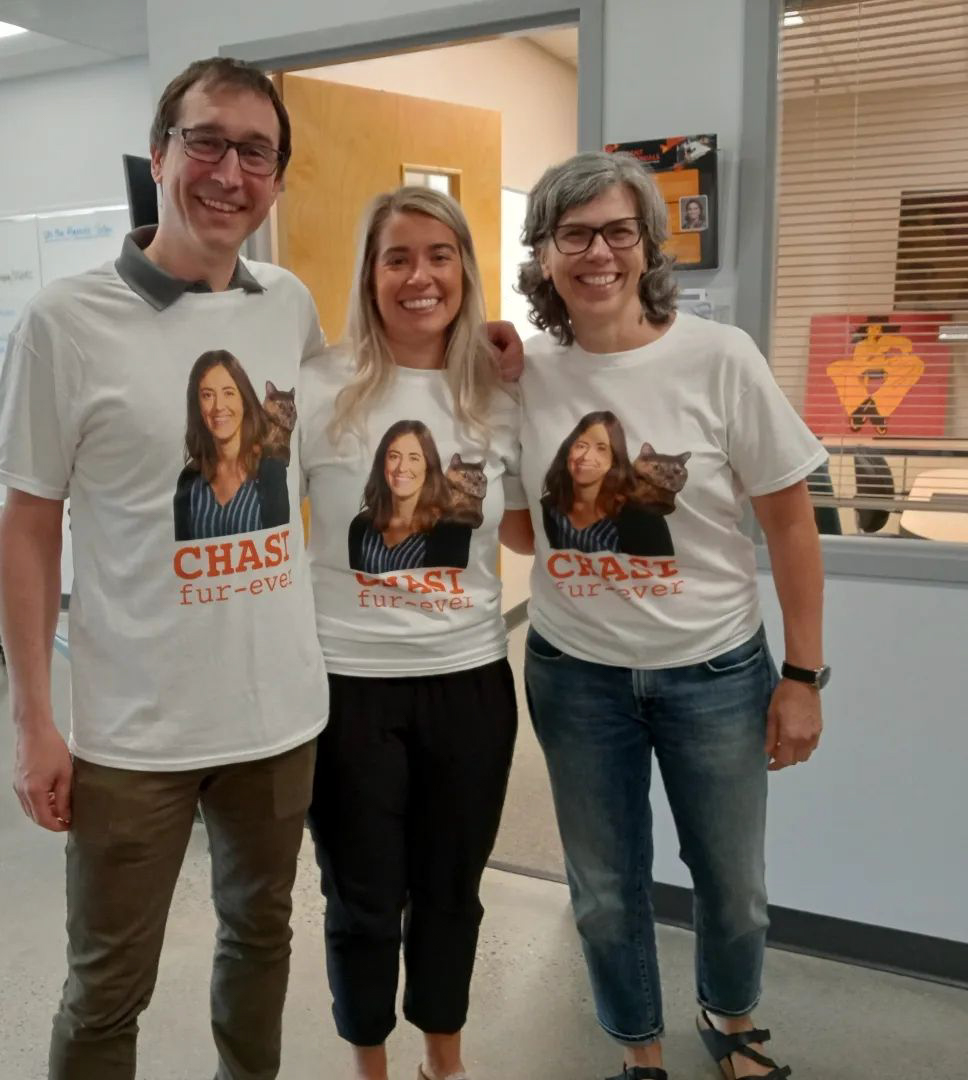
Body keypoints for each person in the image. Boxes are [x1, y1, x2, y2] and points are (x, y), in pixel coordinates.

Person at [0, 57, 332, 1080]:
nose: (229, 171)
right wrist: (35, 721)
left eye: (255, 152)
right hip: (132, 735)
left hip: (277, 720)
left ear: (276, 178)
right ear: (161, 155)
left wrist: (486, 357)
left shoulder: (289, 304)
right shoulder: (64, 324)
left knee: (262, 942)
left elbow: (360, 415)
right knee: (106, 985)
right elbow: (29, 525)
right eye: (206, 142)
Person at [508, 150, 829, 1080]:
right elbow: (527, 537)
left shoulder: (717, 357)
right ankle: (638, 1051)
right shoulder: (524, 374)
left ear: (649, 244)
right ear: (546, 253)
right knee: (605, 893)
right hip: (575, 677)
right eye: (574, 234)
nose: (597, 252)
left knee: (735, 891)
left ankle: (729, 1026)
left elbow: (793, 527)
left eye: (617, 230)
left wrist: (803, 679)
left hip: (717, 674)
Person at [299, 186, 528, 1080]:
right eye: (398, 257)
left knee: (449, 895)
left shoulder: (501, 391)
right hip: (345, 689)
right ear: (369, 273)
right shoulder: (318, 384)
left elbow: (527, 526)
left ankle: (445, 1060)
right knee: (360, 899)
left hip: (469, 682)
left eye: (440, 255)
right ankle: (370, 1066)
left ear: (466, 269)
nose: (420, 276)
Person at [173, 348, 290, 540]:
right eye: (207, 395)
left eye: (228, 393)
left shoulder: (271, 470)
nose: (218, 406)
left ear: (244, 399)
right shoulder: (189, 480)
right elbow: (185, 562)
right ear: (198, 406)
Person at [541, 409, 673, 555]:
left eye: (601, 448)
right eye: (581, 445)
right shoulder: (551, 508)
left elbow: (660, 575)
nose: (586, 456)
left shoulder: (642, 516)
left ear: (614, 459)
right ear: (567, 451)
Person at [348, 419, 472, 572]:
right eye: (394, 456)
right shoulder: (360, 527)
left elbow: (447, 593)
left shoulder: (453, 529)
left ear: (429, 466)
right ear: (382, 463)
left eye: (413, 458)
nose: (402, 467)